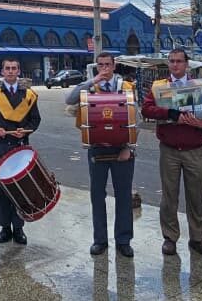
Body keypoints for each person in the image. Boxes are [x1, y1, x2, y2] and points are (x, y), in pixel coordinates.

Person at [141, 48, 202, 257]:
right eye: (171, 61)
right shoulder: (160, 87)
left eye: (179, 61)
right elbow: (146, 109)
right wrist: (170, 113)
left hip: (195, 150)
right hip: (169, 150)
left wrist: (201, 123)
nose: (175, 65)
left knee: (196, 197)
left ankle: (198, 238)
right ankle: (170, 238)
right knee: (169, 197)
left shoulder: (199, 87)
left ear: (186, 64)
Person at [65, 52, 136, 257]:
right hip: (97, 147)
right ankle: (100, 240)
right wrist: (92, 80)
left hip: (122, 148)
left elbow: (135, 119)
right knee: (97, 195)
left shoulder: (127, 88)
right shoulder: (90, 87)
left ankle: (124, 240)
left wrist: (129, 148)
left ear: (114, 66)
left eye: (107, 64)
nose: (104, 68)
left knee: (123, 195)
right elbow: (69, 100)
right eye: (100, 65)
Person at [0, 57, 41, 246]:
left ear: (19, 71)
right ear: (2, 72)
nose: (11, 71)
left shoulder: (28, 95)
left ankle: (19, 228)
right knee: (2, 187)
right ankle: (5, 227)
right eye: (8, 68)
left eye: (14, 68)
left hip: (20, 145)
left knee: (20, 188)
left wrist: (27, 128)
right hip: (0, 145)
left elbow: (35, 120)